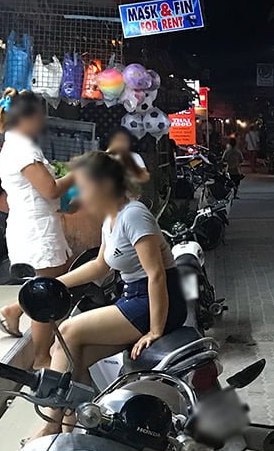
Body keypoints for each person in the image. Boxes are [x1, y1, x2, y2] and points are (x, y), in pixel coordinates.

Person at [36, 150, 187, 435]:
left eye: (85, 187)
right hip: (134, 297)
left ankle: (50, 425)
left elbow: (156, 275)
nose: (81, 194)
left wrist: (155, 330)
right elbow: (99, 266)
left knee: (67, 330)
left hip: (156, 300)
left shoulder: (134, 215)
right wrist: (57, 284)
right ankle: (70, 429)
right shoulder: (110, 218)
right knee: (72, 354)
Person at [0, 89, 76, 368]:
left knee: (51, 285)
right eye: (40, 116)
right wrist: (79, 173)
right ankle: (41, 359)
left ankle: (14, 310)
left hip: (35, 223)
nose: (43, 123)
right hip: (35, 228)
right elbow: (50, 190)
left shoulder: (17, 144)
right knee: (47, 295)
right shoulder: (22, 149)